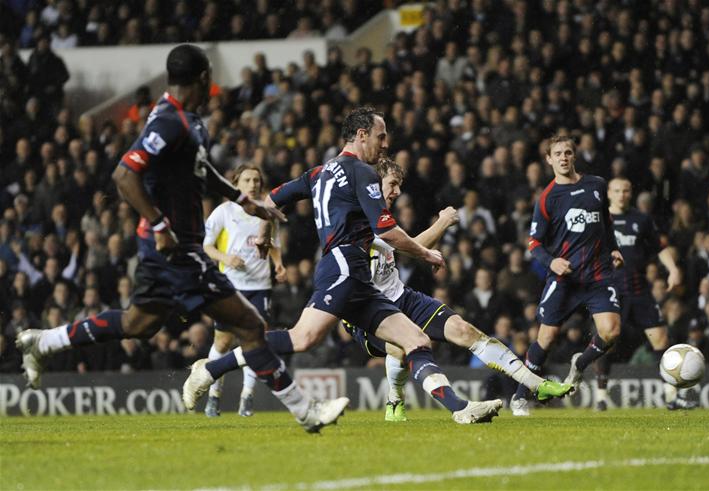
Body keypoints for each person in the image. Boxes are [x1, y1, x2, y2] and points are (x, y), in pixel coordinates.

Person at [16, 44, 347, 433]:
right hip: (178, 249)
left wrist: (246, 202)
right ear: (204, 77)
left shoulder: (189, 122)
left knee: (139, 323)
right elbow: (125, 175)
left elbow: (202, 172)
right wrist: (159, 226)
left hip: (169, 249)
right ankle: (306, 412)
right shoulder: (169, 121)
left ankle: (44, 342)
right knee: (250, 326)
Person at [183, 106, 503, 424]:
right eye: (381, 136)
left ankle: (460, 409)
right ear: (361, 135)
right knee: (303, 339)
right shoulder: (361, 171)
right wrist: (426, 253)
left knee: (416, 341)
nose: (386, 143)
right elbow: (387, 231)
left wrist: (266, 234)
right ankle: (209, 369)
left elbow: (269, 203)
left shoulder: (319, 172)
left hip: (356, 274)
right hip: (344, 266)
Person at [201, 157, 572, 422]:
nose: (395, 192)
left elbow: (399, 244)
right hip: (360, 300)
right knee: (327, 340)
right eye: (392, 185)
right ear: (374, 182)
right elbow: (401, 243)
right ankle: (397, 399)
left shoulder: (364, 204)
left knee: (456, 331)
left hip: (397, 295)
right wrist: (439, 227)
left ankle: (526, 386)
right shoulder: (361, 213)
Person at [511, 135, 625, 416]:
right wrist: (552, 263)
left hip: (598, 275)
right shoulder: (548, 198)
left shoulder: (597, 185)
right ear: (549, 159)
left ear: (574, 156)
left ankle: (580, 364)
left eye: (568, 153)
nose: (563, 157)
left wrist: (614, 249)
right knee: (546, 339)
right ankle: (520, 397)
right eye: (558, 154)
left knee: (611, 331)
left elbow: (606, 225)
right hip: (566, 279)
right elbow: (534, 244)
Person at [594, 177, 696, 410]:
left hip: (639, 290)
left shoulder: (642, 219)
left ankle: (671, 397)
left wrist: (672, 269)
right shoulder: (599, 220)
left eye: (626, 190)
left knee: (661, 339)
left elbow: (660, 247)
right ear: (609, 193)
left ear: (631, 193)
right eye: (617, 191)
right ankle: (601, 398)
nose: (621, 195)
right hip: (611, 291)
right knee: (607, 342)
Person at [202, 164, 286, 418]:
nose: (253, 184)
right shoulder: (224, 211)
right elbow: (206, 246)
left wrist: (279, 263)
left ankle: (246, 398)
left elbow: (273, 243)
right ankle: (213, 396)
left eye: (257, 180)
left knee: (256, 341)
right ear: (236, 183)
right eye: (247, 180)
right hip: (231, 286)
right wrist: (225, 258)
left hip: (260, 287)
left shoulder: (266, 212)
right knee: (223, 341)